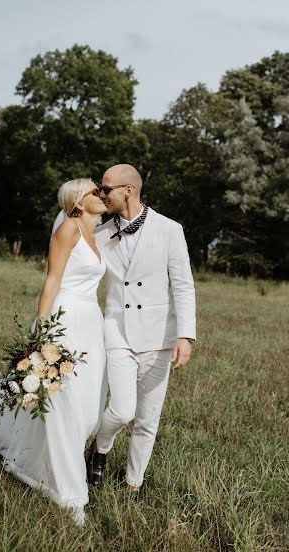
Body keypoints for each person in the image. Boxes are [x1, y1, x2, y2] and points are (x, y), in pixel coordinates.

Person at [0, 178, 107, 525]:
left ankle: (50, 457)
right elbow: (52, 280)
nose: (101, 194)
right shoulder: (69, 228)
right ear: (78, 202)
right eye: (94, 191)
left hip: (91, 325)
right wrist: (41, 331)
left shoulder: (94, 234)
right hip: (66, 319)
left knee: (88, 407)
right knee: (63, 402)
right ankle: (69, 493)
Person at [87, 164, 196, 491]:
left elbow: (183, 285)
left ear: (128, 190)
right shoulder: (100, 234)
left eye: (106, 189)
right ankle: (100, 449)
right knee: (121, 410)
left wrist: (185, 335)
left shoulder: (169, 229)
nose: (101, 194)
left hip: (159, 336)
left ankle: (133, 483)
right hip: (117, 333)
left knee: (147, 420)